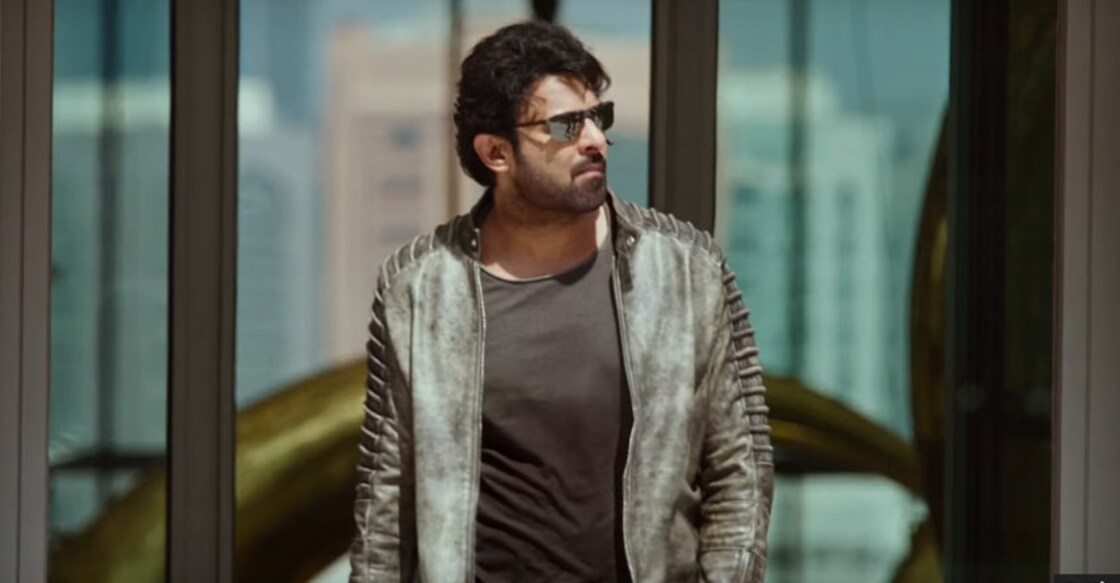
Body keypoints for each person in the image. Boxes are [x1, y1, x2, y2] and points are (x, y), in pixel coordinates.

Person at [349, 20, 773, 583]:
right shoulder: (420, 289)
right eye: (567, 125)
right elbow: (384, 511)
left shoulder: (687, 272)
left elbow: (740, 475)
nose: (595, 139)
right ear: (496, 152)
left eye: (599, 116)